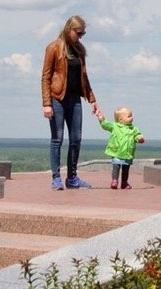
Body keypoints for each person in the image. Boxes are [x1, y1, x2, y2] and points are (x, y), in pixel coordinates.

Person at [41, 15, 98, 190]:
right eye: (78, 33)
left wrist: (92, 100)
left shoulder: (79, 50)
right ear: (69, 29)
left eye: (83, 34)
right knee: (57, 139)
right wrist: (47, 103)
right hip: (57, 98)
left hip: (74, 100)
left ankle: (72, 177)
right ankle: (56, 177)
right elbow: (46, 76)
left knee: (76, 139)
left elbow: (84, 76)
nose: (80, 37)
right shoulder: (53, 47)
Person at [93, 104, 145, 189]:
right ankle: (114, 180)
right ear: (121, 119)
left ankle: (124, 183)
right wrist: (100, 116)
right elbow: (105, 125)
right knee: (116, 167)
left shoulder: (133, 128)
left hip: (127, 153)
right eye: (129, 116)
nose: (132, 117)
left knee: (126, 169)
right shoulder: (115, 126)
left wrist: (140, 138)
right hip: (117, 152)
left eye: (131, 116)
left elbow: (137, 135)